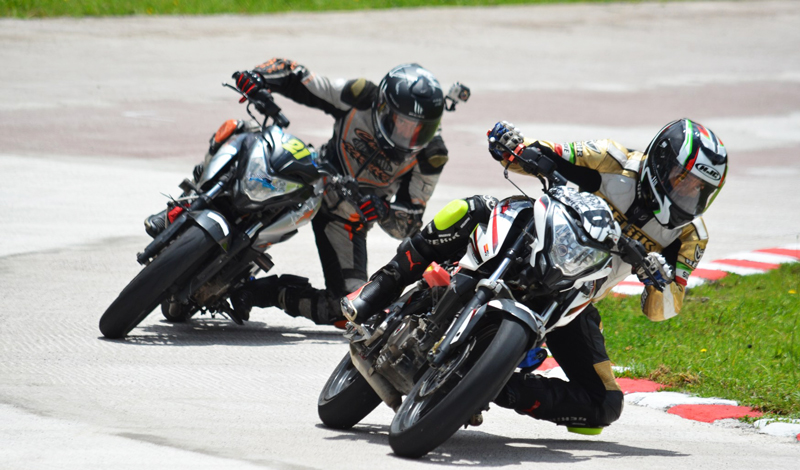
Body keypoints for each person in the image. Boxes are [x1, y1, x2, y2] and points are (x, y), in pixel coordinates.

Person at [341, 118, 728, 431]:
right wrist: (514, 145)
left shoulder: (689, 236)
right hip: (535, 240)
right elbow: (547, 153)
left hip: (575, 294)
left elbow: (664, 308)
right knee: (470, 209)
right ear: (661, 162)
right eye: (683, 178)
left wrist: (660, 282)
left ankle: (491, 386)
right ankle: (378, 289)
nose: (688, 193)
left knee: (605, 405)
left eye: (699, 189)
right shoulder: (614, 159)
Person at [195, 59, 455, 327]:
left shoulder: (431, 155)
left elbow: (409, 222)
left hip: (348, 218)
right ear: (382, 106)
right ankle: (196, 196)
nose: (409, 134)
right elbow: (303, 79)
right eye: (402, 122)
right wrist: (260, 77)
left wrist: (384, 211)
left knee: (352, 310)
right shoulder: (361, 95)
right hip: (312, 177)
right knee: (249, 139)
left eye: (420, 128)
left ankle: (264, 292)